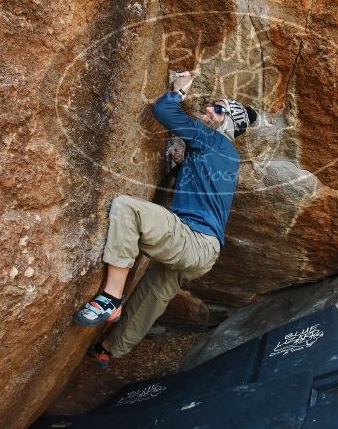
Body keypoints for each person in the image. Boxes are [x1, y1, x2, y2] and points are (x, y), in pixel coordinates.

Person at [72, 70, 258, 368]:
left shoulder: (212, 140)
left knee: (127, 208)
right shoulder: (227, 156)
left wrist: (179, 90)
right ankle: (108, 349)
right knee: (152, 296)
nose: (209, 109)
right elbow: (188, 179)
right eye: (212, 105)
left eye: (218, 109)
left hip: (191, 240)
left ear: (229, 122)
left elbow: (164, 110)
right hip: (204, 254)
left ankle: (110, 298)